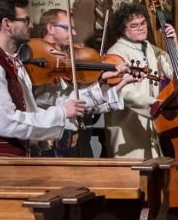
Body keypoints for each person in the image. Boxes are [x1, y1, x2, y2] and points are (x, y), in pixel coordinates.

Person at [0, 0, 125, 157]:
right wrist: (61, 113)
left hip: (18, 160)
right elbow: (7, 122)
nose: (31, 25)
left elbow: (29, 111)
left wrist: (107, 86)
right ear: (7, 24)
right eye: (25, 20)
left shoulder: (12, 62)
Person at [29, 8, 136, 156]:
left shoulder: (71, 57)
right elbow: (48, 101)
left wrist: (115, 81)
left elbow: (88, 106)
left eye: (74, 29)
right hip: (50, 143)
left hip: (77, 140)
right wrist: (101, 80)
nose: (74, 33)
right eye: (68, 28)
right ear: (51, 28)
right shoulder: (35, 59)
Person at [104, 2, 178, 159]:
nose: (141, 28)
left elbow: (174, 72)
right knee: (133, 168)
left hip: (152, 120)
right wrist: (156, 105)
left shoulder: (149, 47)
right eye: (134, 26)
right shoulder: (116, 52)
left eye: (143, 23)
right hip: (128, 124)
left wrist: (174, 45)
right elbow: (124, 92)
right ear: (122, 29)